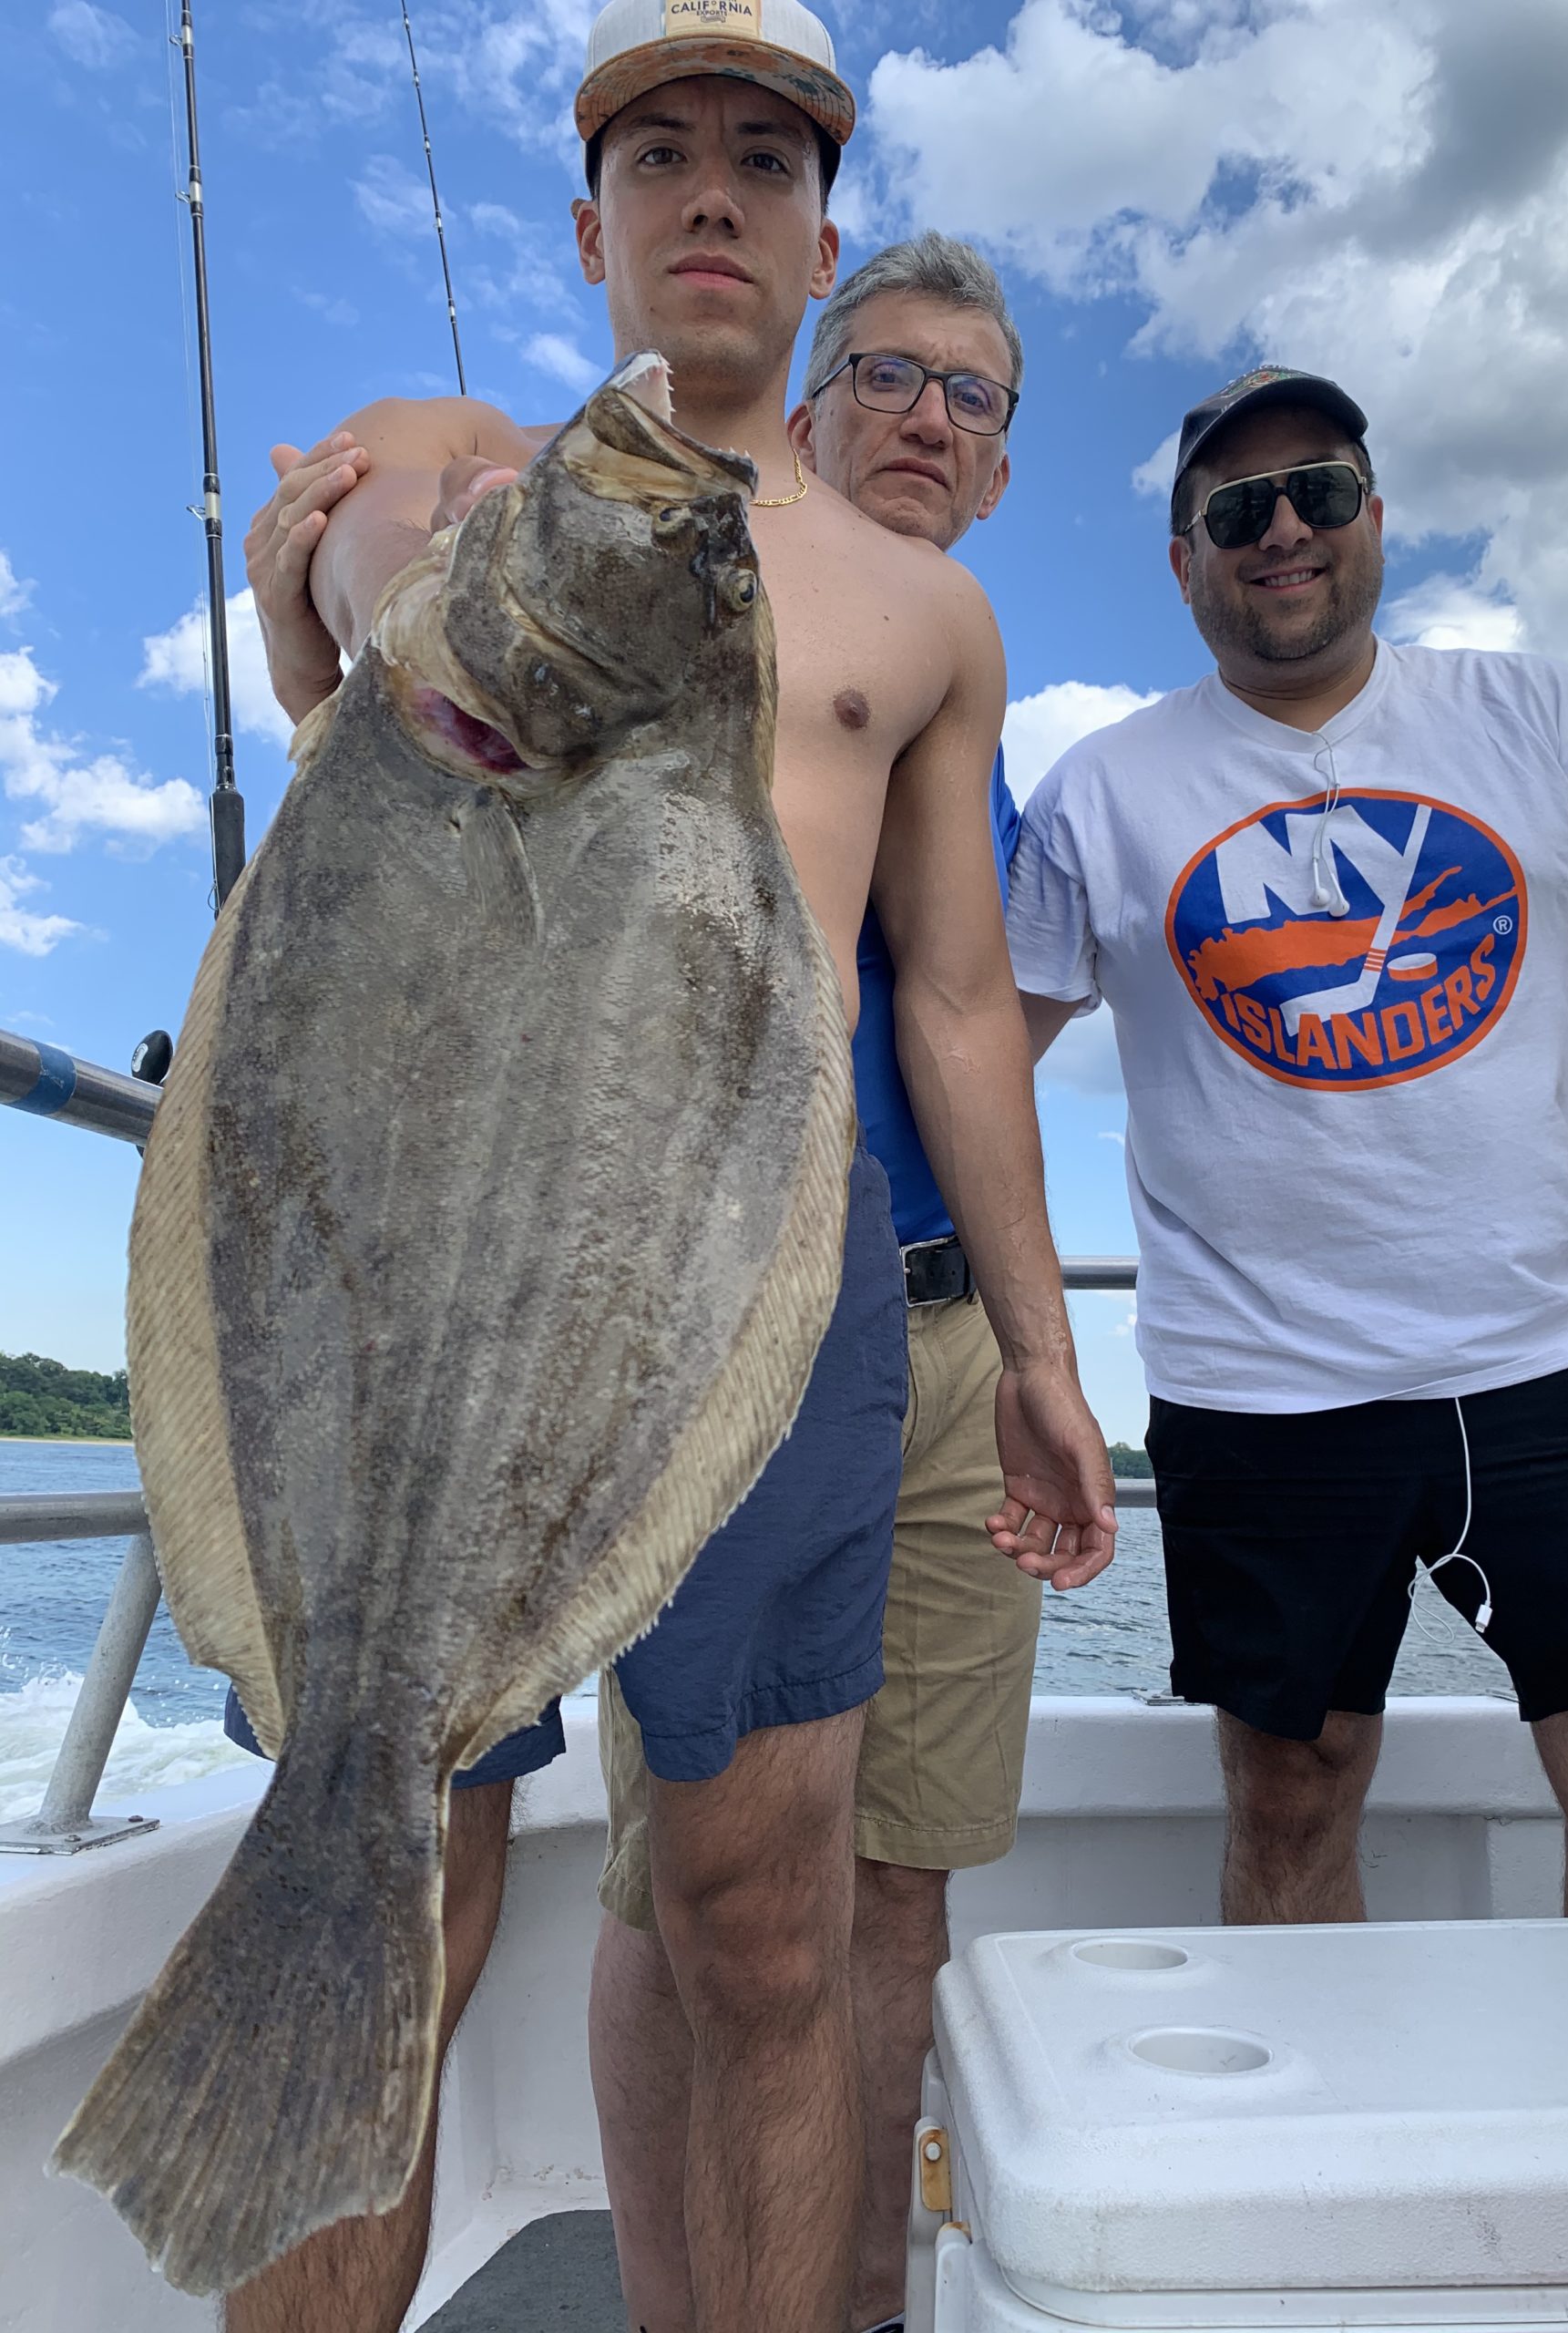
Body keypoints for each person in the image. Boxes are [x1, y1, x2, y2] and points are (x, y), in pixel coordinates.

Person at [240, 7, 1114, 2329]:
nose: (711, 193)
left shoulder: (927, 610)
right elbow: (360, 686)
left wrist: (1036, 1349)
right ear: (592, 222)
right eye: (659, 154)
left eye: (761, 156)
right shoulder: (457, 464)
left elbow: (946, 999)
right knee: (385, 1878)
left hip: (773, 1274)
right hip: (431, 1258)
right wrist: (298, 611)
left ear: (821, 236)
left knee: (762, 1909)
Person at [1008, 363, 1568, 1930]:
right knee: (1290, 1796)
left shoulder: (1544, 716)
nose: (1282, 528)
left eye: (1319, 490)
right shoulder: (1103, 791)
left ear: (1375, 516)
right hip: (1256, 1386)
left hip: (1555, 1361)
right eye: (1236, 507)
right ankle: (1303, 2164)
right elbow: (972, 1053)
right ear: (1183, 559)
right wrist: (1018, 1353)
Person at [589, 231, 1044, 2333]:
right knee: (686, 1893)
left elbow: (976, 1021)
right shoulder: (654, 598)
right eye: (892, 377)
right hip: (699, 1328)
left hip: (933, 1332)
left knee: (898, 1884)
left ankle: (852, 2304)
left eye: (974, 394)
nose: (928, 417)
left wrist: (1044, 1344)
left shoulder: (956, 674)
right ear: (816, 381)